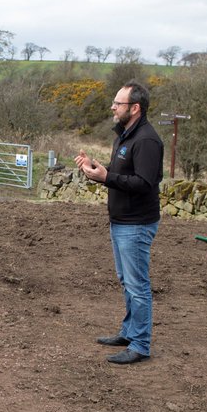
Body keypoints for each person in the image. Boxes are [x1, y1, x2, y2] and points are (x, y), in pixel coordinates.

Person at [74, 80, 164, 365]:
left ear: (134, 108)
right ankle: (129, 332)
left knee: (137, 285)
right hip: (121, 221)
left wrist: (107, 178)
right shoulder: (124, 136)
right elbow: (123, 174)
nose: (112, 107)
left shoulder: (147, 140)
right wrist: (99, 171)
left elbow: (144, 182)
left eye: (118, 103)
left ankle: (141, 344)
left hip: (136, 224)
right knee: (127, 282)